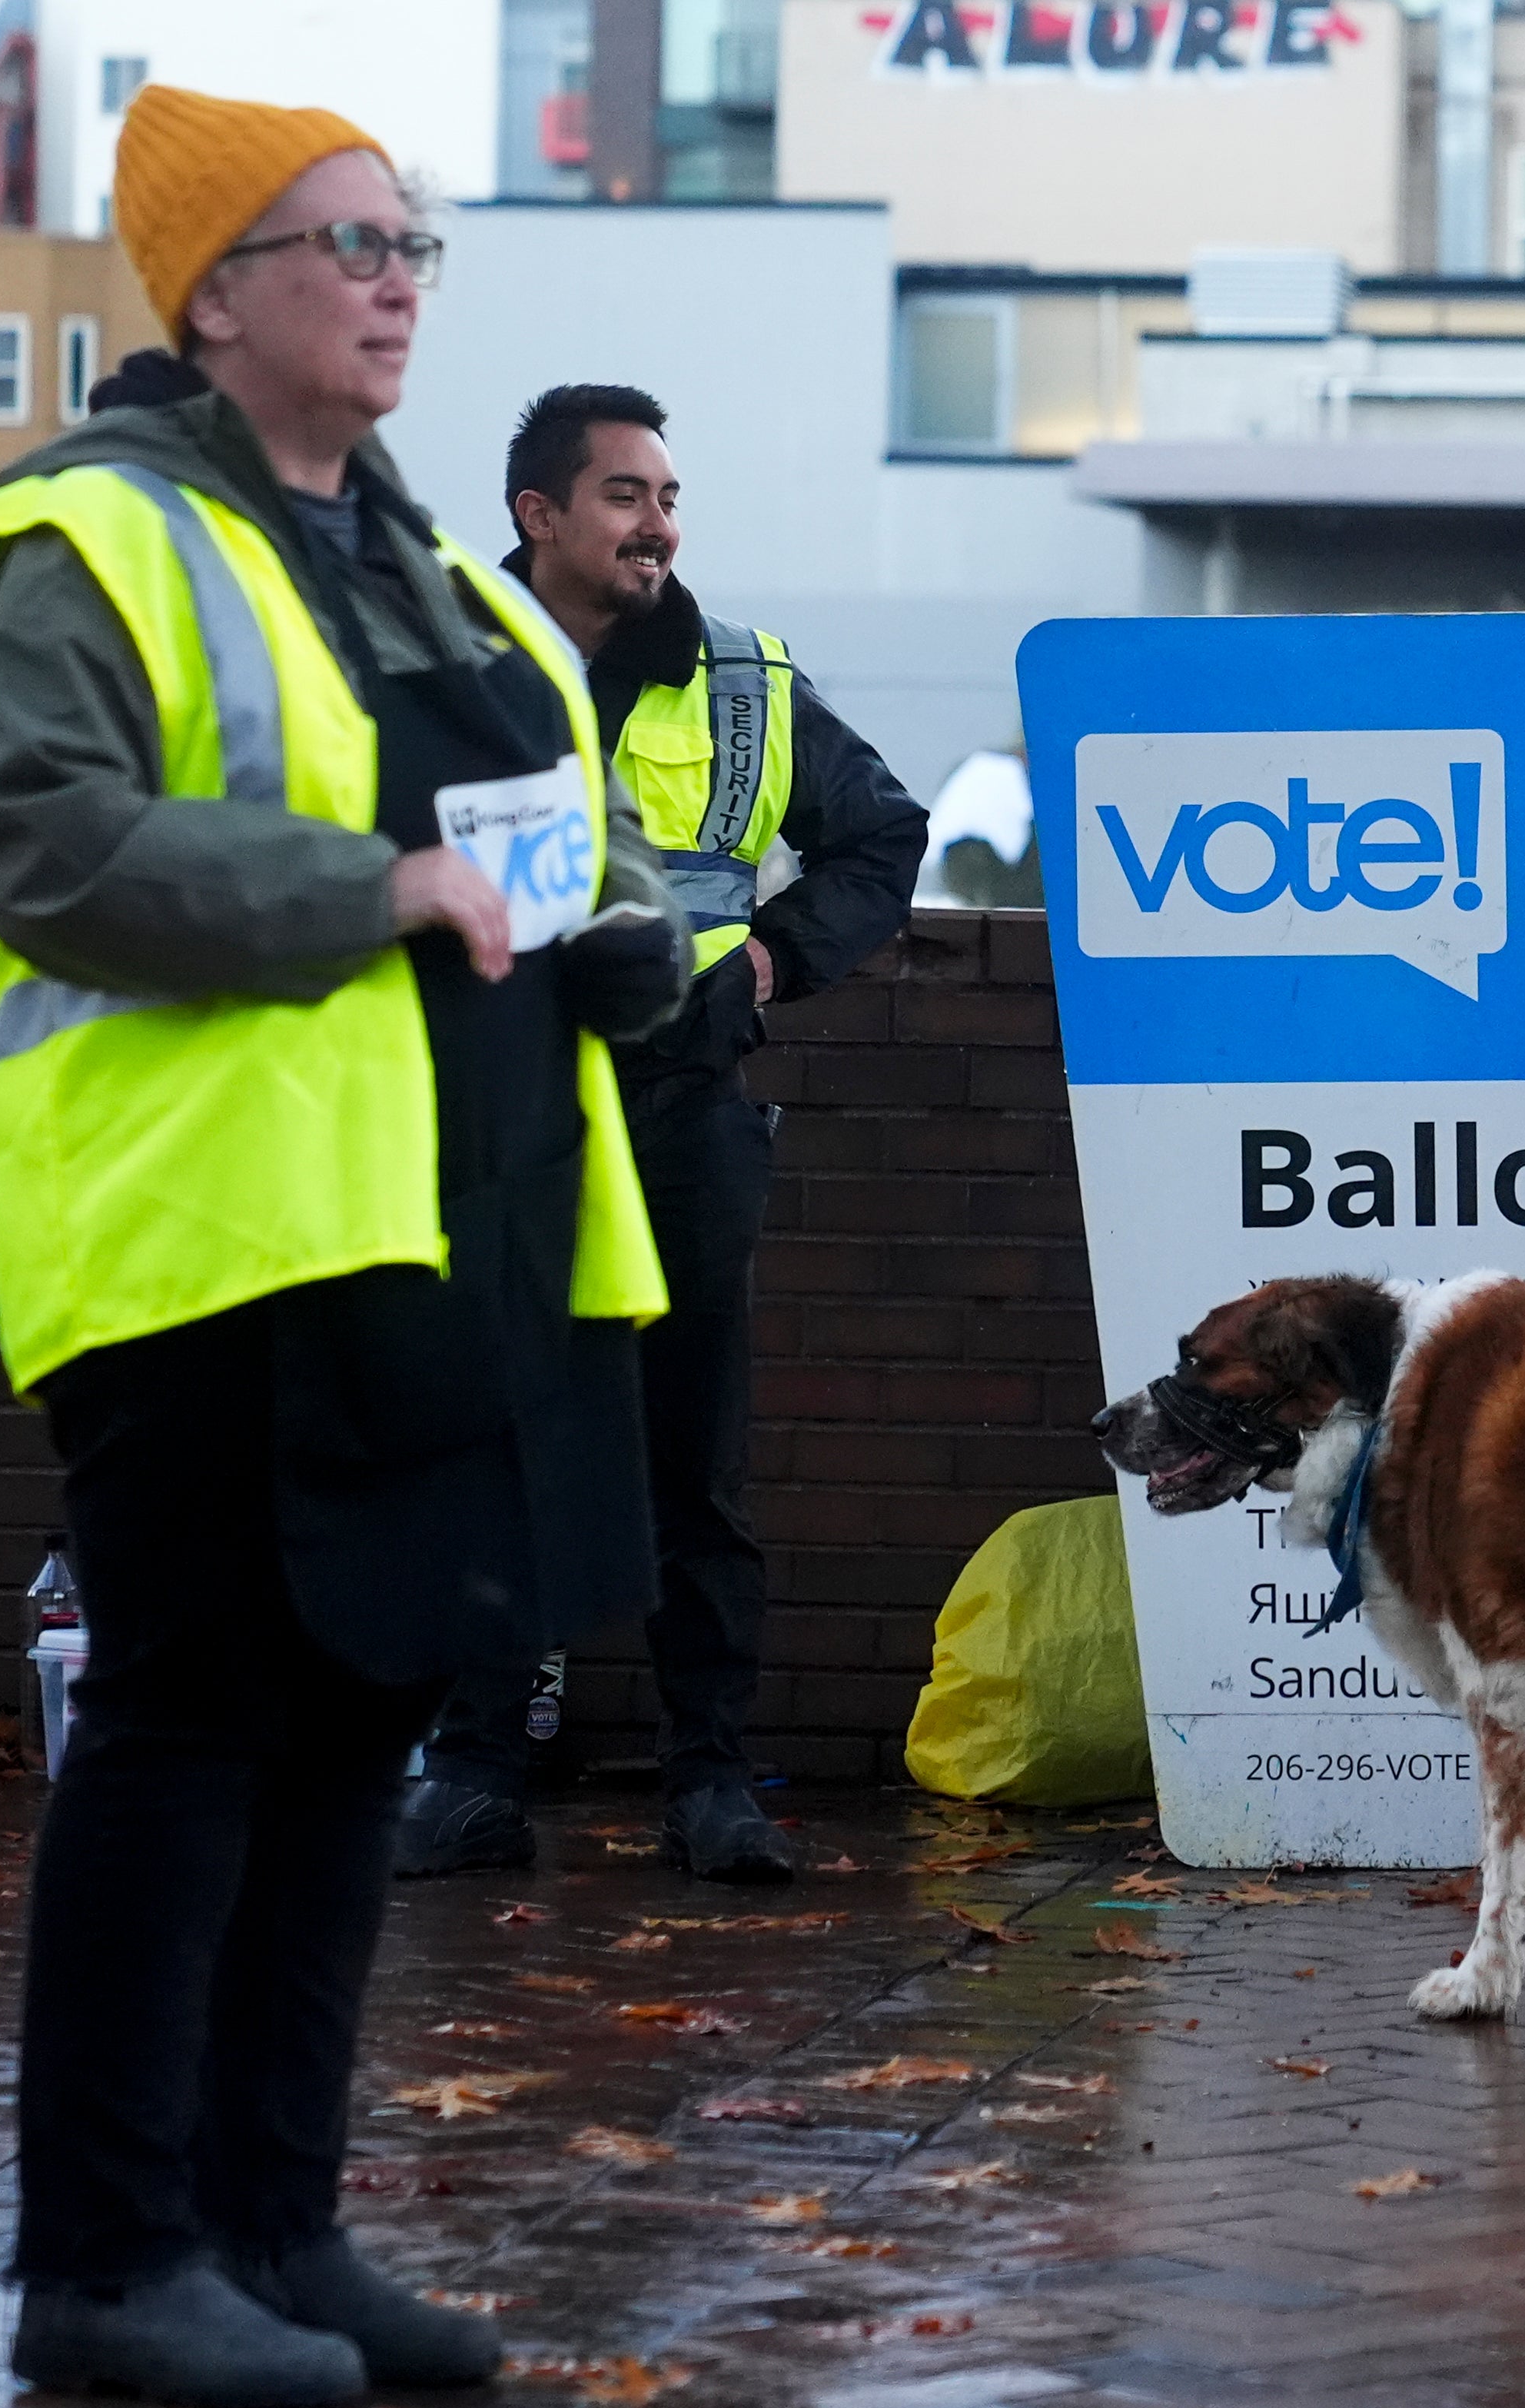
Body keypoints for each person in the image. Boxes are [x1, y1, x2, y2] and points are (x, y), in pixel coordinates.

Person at [0, 87, 689, 2408]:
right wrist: (370, 898)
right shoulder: (83, 539)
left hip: (436, 1240)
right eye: (337, 238)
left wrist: (626, 934)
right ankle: (107, 2260)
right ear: (210, 291)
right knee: (185, 1726)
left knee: (355, 1731)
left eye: (410, 240)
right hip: (195, 1241)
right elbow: (45, 847)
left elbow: (518, 854)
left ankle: (276, 2227)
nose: (393, 275)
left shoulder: (432, 573)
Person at [394, 387, 925, 1884]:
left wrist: (769, 962)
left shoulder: (743, 679)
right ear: (537, 514)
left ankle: (708, 1783)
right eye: (623, 494)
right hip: (496, 1113)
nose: (657, 524)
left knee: (695, 1460)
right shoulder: (445, 669)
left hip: (682, 1104)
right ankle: (476, 1773)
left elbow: (882, 833)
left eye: (668, 494)